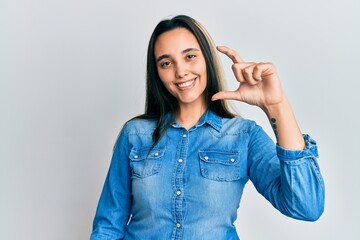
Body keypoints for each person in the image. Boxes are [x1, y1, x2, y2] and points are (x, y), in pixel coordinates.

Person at [90, 15, 325, 240]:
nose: (180, 71)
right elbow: (108, 227)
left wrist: (277, 105)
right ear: (157, 72)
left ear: (207, 59)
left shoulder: (243, 136)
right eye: (166, 62)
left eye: (190, 56)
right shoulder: (135, 135)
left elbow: (307, 207)